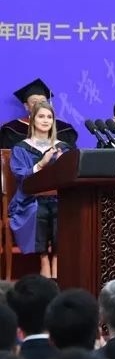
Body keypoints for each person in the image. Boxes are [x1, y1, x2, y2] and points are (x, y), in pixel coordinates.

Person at [8, 101, 72, 278]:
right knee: (40, 210)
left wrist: (62, 164)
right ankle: (44, 259)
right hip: (30, 199)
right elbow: (21, 176)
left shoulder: (63, 148)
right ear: (32, 120)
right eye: (41, 116)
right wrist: (41, 164)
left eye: (49, 117)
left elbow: (70, 176)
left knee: (63, 210)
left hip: (58, 198)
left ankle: (57, 259)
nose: (45, 120)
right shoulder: (21, 148)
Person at [0, 78, 78, 149]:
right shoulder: (12, 129)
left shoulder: (63, 128)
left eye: (43, 101)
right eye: (34, 102)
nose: (39, 105)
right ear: (26, 106)